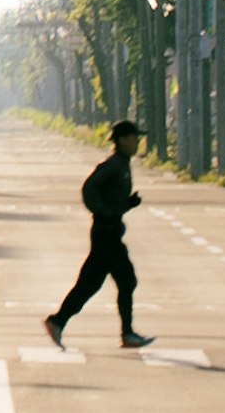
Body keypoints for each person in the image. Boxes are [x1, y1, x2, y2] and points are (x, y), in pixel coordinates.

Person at [46, 120, 149, 348]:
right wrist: (104, 212)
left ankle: (58, 321)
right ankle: (127, 333)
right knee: (127, 280)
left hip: (108, 232)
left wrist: (126, 204)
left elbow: (111, 198)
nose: (137, 142)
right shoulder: (113, 165)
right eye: (134, 138)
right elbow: (89, 187)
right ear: (122, 140)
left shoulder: (123, 164)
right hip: (107, 234)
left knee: (89, 284)